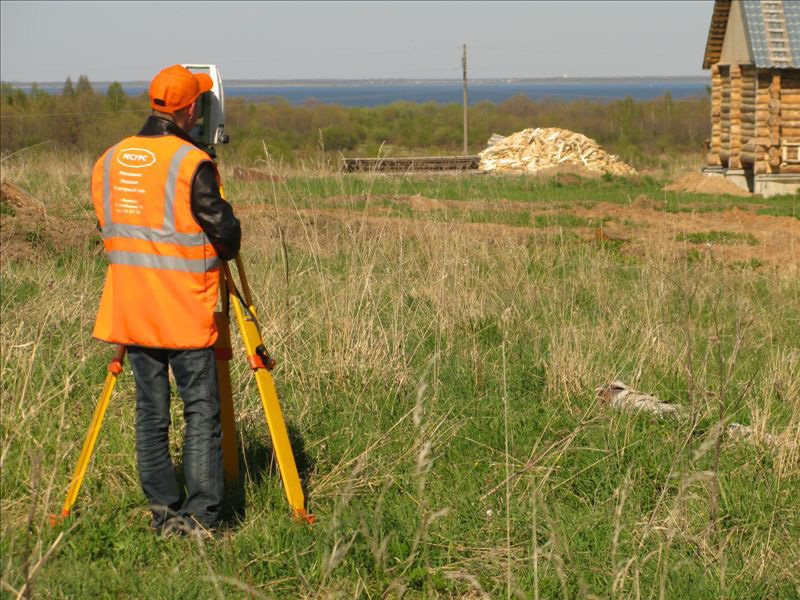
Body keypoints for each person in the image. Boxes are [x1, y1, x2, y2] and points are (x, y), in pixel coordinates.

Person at [90, 64, 241, 537]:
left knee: (149, 409)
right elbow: (227, 238)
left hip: (132, 309)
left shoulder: (109, 160)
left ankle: (163, 510)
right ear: (193, 108)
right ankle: (201, 518)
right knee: (200, 411)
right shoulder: (191, 164)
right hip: (182, 310)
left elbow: (110, 228)